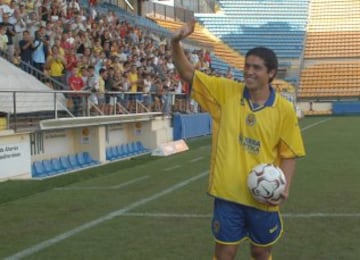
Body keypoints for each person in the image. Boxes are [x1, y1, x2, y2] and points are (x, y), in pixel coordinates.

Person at [171, 20, 306, 260]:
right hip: (228, 193)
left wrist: (284, 186)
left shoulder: (283, 109)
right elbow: (187, 73)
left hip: (263, 195)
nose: (249, 71)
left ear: (271, 73)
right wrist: (175, 42)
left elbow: (289, 153)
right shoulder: (226, 92)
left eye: (256, 67)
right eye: (247, 66)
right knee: (225, 252)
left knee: (260, 252)